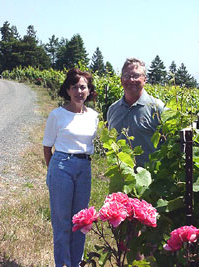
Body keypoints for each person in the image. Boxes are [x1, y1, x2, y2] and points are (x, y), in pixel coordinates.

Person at [43, 68, 98, 267]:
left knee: (81, 222)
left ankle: (76, 263)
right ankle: (62, 264)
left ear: (89, 90)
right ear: (67, 90)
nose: (78, 91)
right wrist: (53, 172)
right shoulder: (57, 115)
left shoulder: (93, 116)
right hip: (62, 166)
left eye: (82, 87)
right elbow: (47, 146)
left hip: (84, 167)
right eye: (74, 87)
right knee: (62, 222)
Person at [107, 58, 165, 167]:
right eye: (127, 76)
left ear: (145, 79)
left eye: (136, 76)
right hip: (121, 176)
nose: (131, 80)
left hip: (150, 178)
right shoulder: (113, 109)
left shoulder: (157, 108)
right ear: (121, 79)